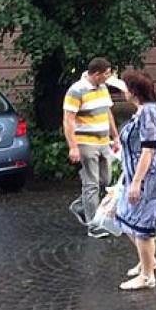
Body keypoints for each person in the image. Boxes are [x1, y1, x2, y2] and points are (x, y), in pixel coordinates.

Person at [116, 70, 156, 290]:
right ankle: (148, 260)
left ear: (133, 91)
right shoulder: (142, 112)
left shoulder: (149, 112)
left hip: (149, 176)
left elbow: (148, 150)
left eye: (126, 88)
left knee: (142, 225)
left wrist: (137, 182)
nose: (123, 92)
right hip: (135, 173)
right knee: (124, 215)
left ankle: (147, 276)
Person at [63, 58, 121, 238]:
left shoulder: (103, 88)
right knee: (92, 184)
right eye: (106, 74)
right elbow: (68, 120)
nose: (109, 77)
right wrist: (73, 147)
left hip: (103, 142)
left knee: (106, 179)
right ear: (96, 74)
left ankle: (81, 206)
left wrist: (115, 136)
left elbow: (107, 112)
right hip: (86, 143)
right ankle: (93, 226)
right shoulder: (76, 90)